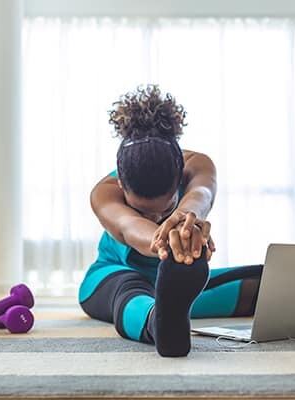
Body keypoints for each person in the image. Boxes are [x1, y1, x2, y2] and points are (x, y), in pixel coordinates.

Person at [78, 85, 263, 357]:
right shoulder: (104, 193)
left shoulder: (197, 165)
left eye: (163, 209)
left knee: (270, 282)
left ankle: (172, 302)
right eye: (143, 211)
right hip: (114, 277)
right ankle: (159, 323)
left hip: (177, 280)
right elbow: (131, 229)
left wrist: (187, 220)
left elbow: (202, 194)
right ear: (120, 183)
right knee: (129, 292)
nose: (155, 218)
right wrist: (170, 240)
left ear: (179, 179)